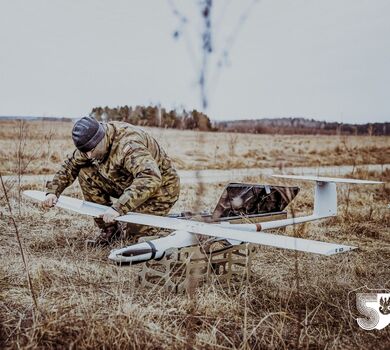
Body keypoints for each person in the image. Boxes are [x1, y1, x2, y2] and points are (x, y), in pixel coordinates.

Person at [43, 116, 180, 246]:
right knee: (86, 173)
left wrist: (118, 208)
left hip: (160, 189)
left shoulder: (128, 144)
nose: (89, 156)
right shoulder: (89, 145)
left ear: (101, 138)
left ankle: (164, 231)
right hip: (127, 183)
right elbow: (70, 164)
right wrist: (53, 192)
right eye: (85, 152)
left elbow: (150, 177)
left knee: (134, 237)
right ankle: (109, 231)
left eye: (91, 150)